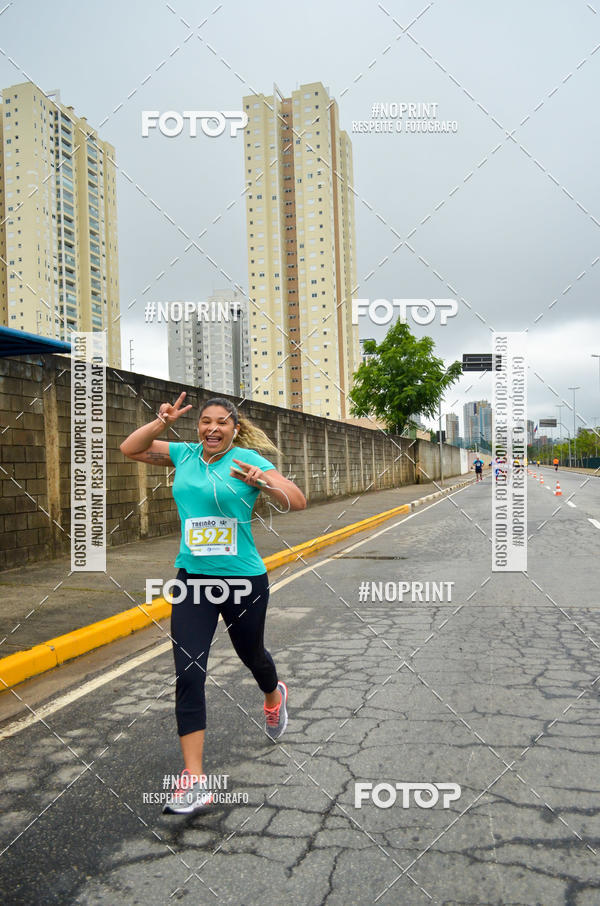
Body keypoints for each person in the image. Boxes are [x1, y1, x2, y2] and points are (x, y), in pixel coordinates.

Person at [120, 393, 307, 815]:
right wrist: (160, 423)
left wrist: (266, 483)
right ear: (198, 426)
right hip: (193, 582)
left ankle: (273, 694)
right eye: (206, 421)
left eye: (222, 422)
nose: (212, 428)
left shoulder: (246, 460)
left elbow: (297, 501)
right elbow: (129, 448)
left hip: (243, 580)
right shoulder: (184, 454)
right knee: (188, 673)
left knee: (252, 655)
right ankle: (193, 779)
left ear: (234, 428)